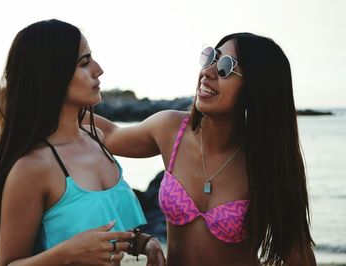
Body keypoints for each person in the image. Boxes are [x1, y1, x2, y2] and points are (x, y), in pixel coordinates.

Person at [89, 33, 316, 265]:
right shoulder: (171, 129)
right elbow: (111, 135)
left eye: (226, 67)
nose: (208, 72)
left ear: (255, 88)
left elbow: (296, 251)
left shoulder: (266, 161)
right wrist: (58, 103)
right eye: (211, 58)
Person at [0, 19, 165, 266]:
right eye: (84, 63)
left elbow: (108, 234)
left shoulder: (97, 140)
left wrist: (146, 243)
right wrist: (67, 254)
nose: (98, 69)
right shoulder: (32, 167)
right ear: (51, 75)